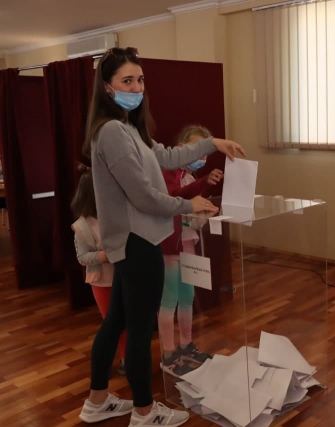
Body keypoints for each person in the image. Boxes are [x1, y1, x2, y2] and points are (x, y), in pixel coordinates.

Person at [78, 46, 245, 427]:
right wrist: (189, 204)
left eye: (140, 80)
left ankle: (97, 402)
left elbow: (167, 156)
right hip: (137, 242)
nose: (136, 88)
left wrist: (213, 143)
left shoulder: (127, 129)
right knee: (139, 330)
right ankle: (144, 412)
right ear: (107, 87)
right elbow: (144, 196)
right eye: (127, 81)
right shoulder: (112, 133)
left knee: (117, 321)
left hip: (133, 241)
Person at [158, 125, 223, 377]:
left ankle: (186, 344)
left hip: (187, 243)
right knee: (169, 299)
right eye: (197, 150)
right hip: (170, 245)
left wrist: (206, 212)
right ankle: (168, 354)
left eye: (205, 152)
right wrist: (204, 184)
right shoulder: (168, 172)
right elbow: (175, 197)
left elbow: (191, 214)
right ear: (182, 149)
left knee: (187, 296)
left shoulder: (190, 177)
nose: (201, 157)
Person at [71, 163, 126, 377]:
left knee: (126, 321)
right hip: (101, 281)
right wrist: (104, 256)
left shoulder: (114, 216)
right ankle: (104, 364)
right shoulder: (81, 226)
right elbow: (82, 257)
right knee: (111, 323)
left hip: (122, 276)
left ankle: (126, 360)